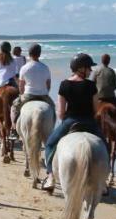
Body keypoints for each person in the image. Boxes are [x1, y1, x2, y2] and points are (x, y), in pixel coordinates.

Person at [41, 53, 104, 191]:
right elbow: (96, 109)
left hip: (70, 122)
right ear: (81, 69)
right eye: (89, 68)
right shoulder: (91, 86)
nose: (91, 71)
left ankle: (51, 177)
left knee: (51, 145)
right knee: (105, 145)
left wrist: (64, 121)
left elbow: (61, 112)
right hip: (89, 122)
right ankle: (103, 181)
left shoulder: (64, 85)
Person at [11, 43, 53, 125]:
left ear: (29, 54)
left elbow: (21, 85)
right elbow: (48, 85)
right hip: (43, 95)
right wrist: (45, 92)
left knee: (14, 107)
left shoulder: (24, 68)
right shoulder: (45, 67)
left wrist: (21, 95)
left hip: (28, 94)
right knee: (53, 108)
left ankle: (14, 127)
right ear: (39, 54)